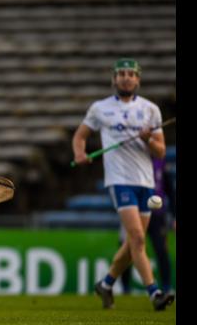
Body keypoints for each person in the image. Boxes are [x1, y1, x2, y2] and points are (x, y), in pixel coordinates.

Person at [71, 58, 175, 311]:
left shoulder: (151, 110)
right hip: (119, 181)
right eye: (121, 74)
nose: (126, 78)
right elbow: (80, 136)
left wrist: (148, 139)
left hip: (146, 183)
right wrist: (79, 154)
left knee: (132, 245)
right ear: (114, 79)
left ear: (138, 79)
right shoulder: (100, 108)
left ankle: (106, 284)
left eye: (131, 74)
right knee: (138, 237)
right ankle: (155, 293)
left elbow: (160, 152)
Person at [120, 155, 173, 294]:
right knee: (127, 248)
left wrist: (174, 215)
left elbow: (169, 189)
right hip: (134, 212)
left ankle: (167, 287)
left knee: (161, 250)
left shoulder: (160, 160)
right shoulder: (132, 157)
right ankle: (125, 288)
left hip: (157, 215)